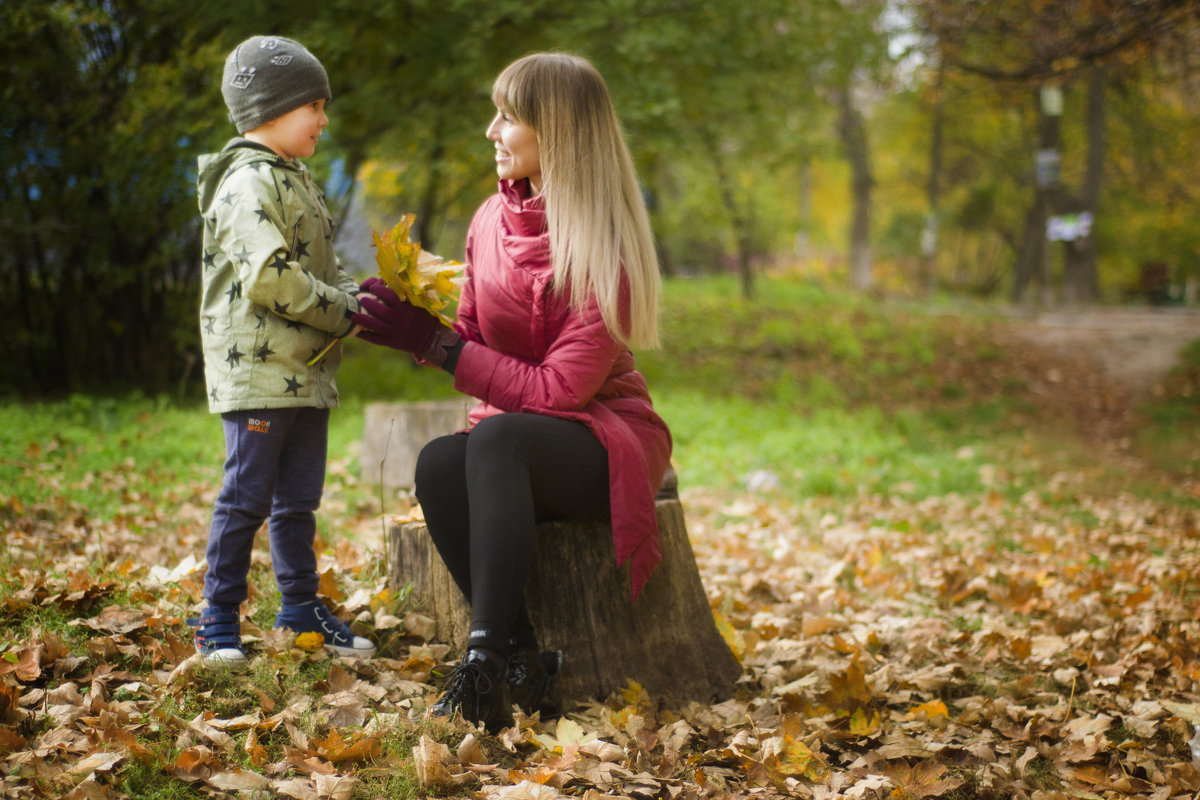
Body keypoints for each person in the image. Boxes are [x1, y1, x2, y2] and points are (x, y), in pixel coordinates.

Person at [353, 52, 671, 731]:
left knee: (493, 437)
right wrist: (407, 317)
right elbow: (469, 336)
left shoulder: (604, 250)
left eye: (508, 117)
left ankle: (481, 668)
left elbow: (558, 392)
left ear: (554, 132)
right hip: (513, 445)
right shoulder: (487, 222)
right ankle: (524, 660)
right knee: (440, 460)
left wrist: (437, 346)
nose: (490, 131)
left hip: (603, 442)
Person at [191, 35, 375, 665]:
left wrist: (356, 299)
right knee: (245, 499)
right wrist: (343, 311)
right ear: (272, 111)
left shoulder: (296, 180)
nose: (324, 119)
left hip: (307, 373)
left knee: (298, 502)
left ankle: (299, 608)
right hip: (261, 375)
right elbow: (271, 277)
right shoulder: (245, 185)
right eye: (314, 107)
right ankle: (217, 618)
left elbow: (325, 266)